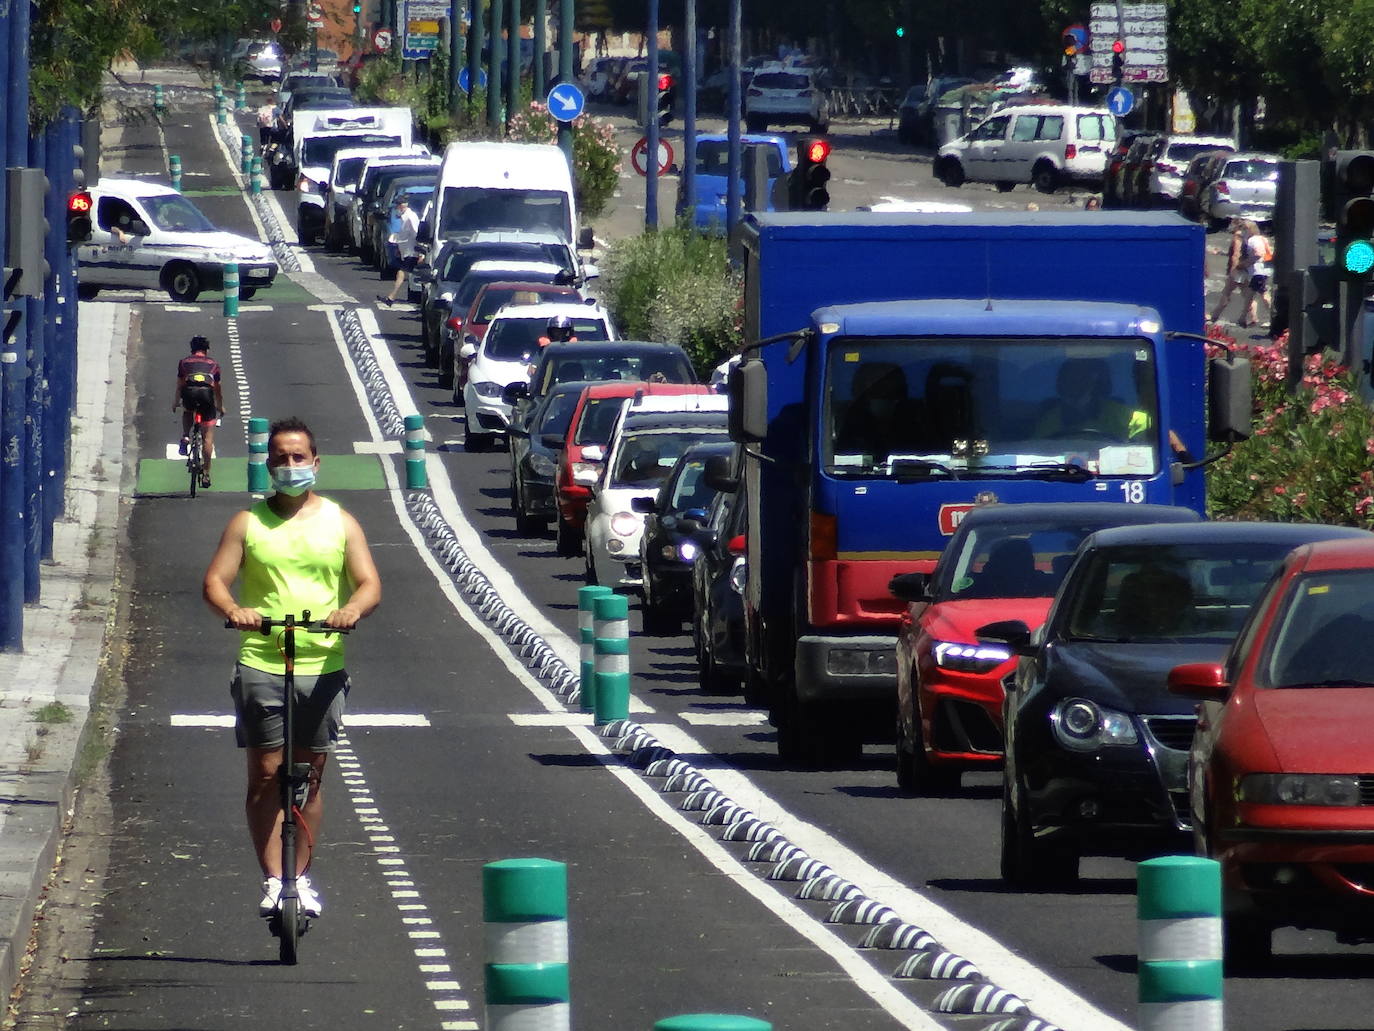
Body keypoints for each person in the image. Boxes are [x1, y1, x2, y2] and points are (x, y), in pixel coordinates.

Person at [202, 417, 382, 919]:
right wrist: (235, 610)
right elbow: (216, 581)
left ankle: (299, 878)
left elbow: (369, 583)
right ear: (268, 465)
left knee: (309, 775)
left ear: (316, 463)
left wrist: (350, 611)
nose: (289, 465)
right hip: (263, 658)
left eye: (298, 456)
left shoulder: (341, 522)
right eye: (280, 457)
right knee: (264, 774)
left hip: (322, 663)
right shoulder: (247, 523)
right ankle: (273, 879)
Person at [833, 361, 926, 461]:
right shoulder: (850, 418)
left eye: (889, 381)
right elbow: (841, 456)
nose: (883, 391)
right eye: (875, 384)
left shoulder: (914, 418)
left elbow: (924, 454)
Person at [1034, 356, 1142, 441]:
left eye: (1082, 376)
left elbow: (1143, 446)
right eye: (1071, 377)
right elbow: (1037, 452)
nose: (1076, 382)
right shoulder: (1050, 420)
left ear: (1094, 381)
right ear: (1061, 382)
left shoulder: (1123, 415)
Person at [173, 336, 224, 488]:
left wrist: (175, 402)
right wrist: (220, 406)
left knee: (188, 410)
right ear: (207, 350)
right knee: (208, 437)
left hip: (189, 393)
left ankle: (185, 437)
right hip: (207, 396)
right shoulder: (213, 364)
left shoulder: (184, 362)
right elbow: (217, 388)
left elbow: (180, 385)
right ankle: (206, 474)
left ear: (192, 349)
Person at [377, 195, 420, 307]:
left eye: (397, 206)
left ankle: (391, 297)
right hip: (406, 251)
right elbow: (403, 235)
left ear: (402, 206)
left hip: (412, 251)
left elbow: (416, 234)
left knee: (403, 273)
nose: (396, 208)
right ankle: (391, 297)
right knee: (404, 274)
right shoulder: (405, 217)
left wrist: (421, 252)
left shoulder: (410, 217)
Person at [1206, 219, 1249, 325]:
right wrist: (1221, 253)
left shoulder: (1237, 237)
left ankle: (1214, 316)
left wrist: (1233, 270)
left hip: (1237, 271)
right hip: (1244, 269)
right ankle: (1252, 317)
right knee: (1247, 294)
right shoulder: (1246, 236)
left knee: (1226, 294)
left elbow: (1236, 254)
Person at [1239, 220, 1272, 328]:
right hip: (1265, 269)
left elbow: (1258, 254)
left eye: (1244, 229)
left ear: (1249, 229)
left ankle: (1273, 317)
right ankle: (1242, 317)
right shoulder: (1263, 238)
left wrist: (1246, 263)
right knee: (1251, 294)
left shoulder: (1252, 240)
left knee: (1262, 295)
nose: (1242, 231)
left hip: (1258, 271)